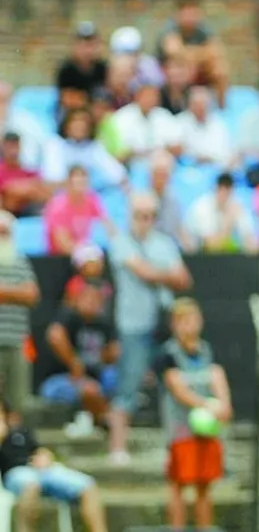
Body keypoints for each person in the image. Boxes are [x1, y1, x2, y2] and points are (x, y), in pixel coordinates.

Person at [107, 192, 192, 465]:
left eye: (151, 216)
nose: (146, 221)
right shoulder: (120, 243)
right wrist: (164, 275)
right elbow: (147, 273)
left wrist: (159, 274)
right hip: (133, 324)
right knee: (128, 385)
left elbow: (183, 279)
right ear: (131, 215)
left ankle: (173, 446)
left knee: (174, 385)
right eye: (141, 215)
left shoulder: (163, 242)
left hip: (163, 324)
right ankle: (117, 448)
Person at [154, 298, 233, 530]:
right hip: (181, 430)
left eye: (193, 319)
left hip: (208, 431)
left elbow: (217, 377)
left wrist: (223, 405)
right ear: (174, 324)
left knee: (204, 485)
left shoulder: (207, 351)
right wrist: (207, 405)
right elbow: (177, 389)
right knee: (179, 484)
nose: (189, 325)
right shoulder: (167, 355)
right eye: (183, 320)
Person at [0, 401, 108, 532]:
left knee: (87, 484)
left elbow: (39, 449)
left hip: (43, 471)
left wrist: (44, 456)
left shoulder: (22, 432)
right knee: (31, 485)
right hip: (17, 474)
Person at [39, 281, 118, 437]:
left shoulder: (103, 323)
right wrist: (73, 362)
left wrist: (110, 354)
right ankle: (106, 419)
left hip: (95, 379)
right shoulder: (67, 317)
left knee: (116, 377)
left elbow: (114, 353)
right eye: (87, 298)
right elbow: (54, 336)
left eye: (96, 299)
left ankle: (96, 416)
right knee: (89, 390)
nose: (91, 303)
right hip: (61, 379)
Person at [0, 211, 39, 415]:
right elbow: (24, 293)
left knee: (18, 401)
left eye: (6, 232)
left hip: (17, 339)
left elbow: (32, 295)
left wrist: (4, 292)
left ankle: (15, 444)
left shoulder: (20, 260)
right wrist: (17, 292)